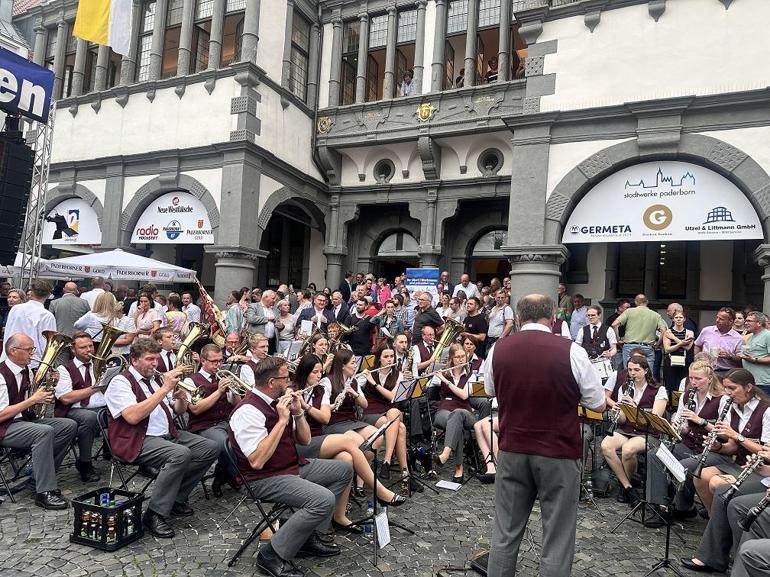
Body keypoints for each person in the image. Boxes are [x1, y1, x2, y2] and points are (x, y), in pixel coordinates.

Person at [484, 294, 605, 577]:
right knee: (557, 535)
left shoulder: (499, 349)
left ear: (520, 316)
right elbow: (597, 402)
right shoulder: (572, 350)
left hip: (513, 448)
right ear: (553, 319)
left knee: (505, 532)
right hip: (558, 451)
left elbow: (489, 390)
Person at [228, 356, 353, 576]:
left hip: (291, 466)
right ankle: (272, 555)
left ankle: (306, 537)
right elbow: (257, 461)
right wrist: (282, 421)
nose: (290, 382)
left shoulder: (278, 403)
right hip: (263, 478)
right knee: (322, 499)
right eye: (286, 378)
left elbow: (304, 440)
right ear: (271, 382)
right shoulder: (247, 411)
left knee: (343, 470)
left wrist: (298, 412)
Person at [104, 339, 219, 538]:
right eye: (149, 359)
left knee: (210, 447)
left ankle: (175, 498)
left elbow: (177, 411)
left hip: (167, 434)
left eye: (157, 359)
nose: (155, 364)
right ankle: (154, 513)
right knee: (180, 454)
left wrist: (181, 398)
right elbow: (132, 416)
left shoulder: (154, 380)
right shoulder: (121, 382)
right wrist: (164, 389)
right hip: (136, 439)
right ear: (134, 360)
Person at [0, 333, 77, 509]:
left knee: (68, 426)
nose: (33, 354)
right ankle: (45, 491)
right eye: (28, 350)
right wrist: (33, 400)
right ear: (13, 351)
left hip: (23, 421)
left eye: (32, 350)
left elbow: (29, 401)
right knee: (43, 432)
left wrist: (50, 385)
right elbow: (2, 414)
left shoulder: (25, 370)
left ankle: (38, 477)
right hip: (5, 427)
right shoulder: (1, 375)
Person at [645, 360, 724, 521]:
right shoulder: (688, 395)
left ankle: (684, 506)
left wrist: (700, 420)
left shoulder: (721, 399)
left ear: (710, 378)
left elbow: (724, 433)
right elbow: (682, 420)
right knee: (655, 455)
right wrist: (679, 426)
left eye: (698, 379)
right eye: (691, 378)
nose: (693, 382)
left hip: (709, 448)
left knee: (683, 466)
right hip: (688, 442)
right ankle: (661, 506)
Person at [692, 368, 770, 512]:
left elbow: (765, 452)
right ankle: (714, 520)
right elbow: (732, 447)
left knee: (716, 483)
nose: (728, 392)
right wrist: (718, 447)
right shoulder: (733, 406)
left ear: (748, 387)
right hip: (738, 462)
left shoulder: (766, 410)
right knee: (701, 476)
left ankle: (721, 525)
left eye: (732, 388)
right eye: (726, 387)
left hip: (760, 469)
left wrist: (737, 436)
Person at [600, 353, 668, 505]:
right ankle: (627, 486)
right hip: (627, 429)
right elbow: (623, 420)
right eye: (630, 370)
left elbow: (655, 418)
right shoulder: (625, 387)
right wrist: (617, 413)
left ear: (645, 370)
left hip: (647, 432)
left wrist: (634, 407)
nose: (632, 374)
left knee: (628, 449)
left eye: (636, 370)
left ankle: (627, 485)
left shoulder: (658, 390)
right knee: (606, 445)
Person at [187, 344, 240, 497]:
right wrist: (219, 391)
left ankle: (222, 473)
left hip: (227, 421)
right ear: (203, 361)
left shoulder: (223, 377)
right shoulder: (192, 381)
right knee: (227, 444)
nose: (218, 364)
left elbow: (236, 404)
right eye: (214, 361)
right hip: (205, 425)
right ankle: (233, 475)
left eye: (220, 360)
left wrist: (235, 391)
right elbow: (195, 409)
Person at [54, 332, 106, 482]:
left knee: (128, 412)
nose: (89, 350)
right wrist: (97, 387)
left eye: (90, 346)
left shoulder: (100, 365)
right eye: (83, 347)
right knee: (90, 418)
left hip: (103, 408)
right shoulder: (64, 369)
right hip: (74, 411)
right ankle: (85, 463)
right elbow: (65, 398)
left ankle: (131, 455)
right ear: (73, 349)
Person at [360, 343, 409, 481]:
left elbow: (392, 397)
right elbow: (354, 387)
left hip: (388, 411)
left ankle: (387, 462)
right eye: (386, 356)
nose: (389, 359)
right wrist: (365, 377)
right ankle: (405, 472)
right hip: (371, 412)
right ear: (379, 358)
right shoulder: (369, 372)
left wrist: (374, 383)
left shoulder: (398, 374)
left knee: (395, 414)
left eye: (392, 356)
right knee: (400, 426)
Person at [432, 343, 477, 482]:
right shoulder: (442, 373)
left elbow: (464, 395)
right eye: (457, 357)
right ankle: (459, 467)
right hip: (444, 411)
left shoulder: (472, 375)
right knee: (455, 422)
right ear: (451, 358)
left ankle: (445, 453)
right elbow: (426, 389)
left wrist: (445, 381)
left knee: (457, 414)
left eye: (463, 356)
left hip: (466, 413)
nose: (461, 359)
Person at [0, 280, 57, 368]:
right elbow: (47, 344)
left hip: (9, 357)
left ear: (31, 293)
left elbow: (8, 332)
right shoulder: (47, 315)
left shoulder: (15, 309)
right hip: (32, 361)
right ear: (49, 295)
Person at [611, 293, 667, 369]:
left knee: (630, 373)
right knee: (648, 374)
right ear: (647, 302)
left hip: (630, 347)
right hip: (647, 347)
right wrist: (657, 345)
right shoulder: (656, 315)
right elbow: (664, 330)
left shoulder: (629, 311)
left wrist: (618, 339)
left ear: (635, 302)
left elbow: (614, 324)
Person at [694, 307, 744, 376]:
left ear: (731, 321)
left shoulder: (738, 338)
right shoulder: (707, 331)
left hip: (725, 372)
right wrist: (698, 360)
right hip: (705, 370)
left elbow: (740, 358)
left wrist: (729, 357)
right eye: (717, 317)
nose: (717, 320)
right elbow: (697, 345)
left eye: (721, 319)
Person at [662, 309, 695, 393]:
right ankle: (670, 404)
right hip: (670, 360)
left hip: (684, 360)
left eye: (681, 317)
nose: (678, 319)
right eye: (676, 317)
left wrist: (674, 338)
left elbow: (688, 348)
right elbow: (667, 349)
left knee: (682, 384)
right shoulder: (668, 332)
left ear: (684, 319)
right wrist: (681, 343)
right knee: (670, 385)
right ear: (673, 319)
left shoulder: (689, 332)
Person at [738, 311, 770, 395]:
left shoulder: (768, 335)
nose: (746, 323)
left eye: (749, 321)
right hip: (750, 382)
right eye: (746, 321)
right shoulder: (750, 337)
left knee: (764, 407)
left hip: (763, 383)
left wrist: (755, 359)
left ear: (759, 323)